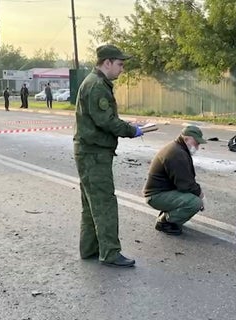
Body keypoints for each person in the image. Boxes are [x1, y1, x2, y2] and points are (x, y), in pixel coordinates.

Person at [73, 44, 142, 268]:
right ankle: (110, 253)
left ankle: (89, 248)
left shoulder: (95, 82)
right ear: (107, 63)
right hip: (94, 153)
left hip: (89, 151)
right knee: (104, 203)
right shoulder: (97, 86)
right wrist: (132, 130)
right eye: (120, 64)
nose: (122, 69)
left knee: (90, 203)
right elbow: (106, 121)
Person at [143, 125, 206, 236]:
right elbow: (186, 185)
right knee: (194, 202)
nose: (197, 147)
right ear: (186, 139)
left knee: (193, 196)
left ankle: (169, 214)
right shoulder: (177, 153)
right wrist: (201, 196)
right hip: (156, 196)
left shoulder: (178, 148)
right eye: (196, 143)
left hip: (161, 192)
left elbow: (185, 180)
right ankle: (165, 222)